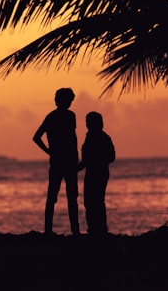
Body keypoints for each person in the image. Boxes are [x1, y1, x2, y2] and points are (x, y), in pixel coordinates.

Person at [33, 87, 80, 235]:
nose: (70, 103)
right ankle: (64, 231)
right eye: (69, 100)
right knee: (60, 197)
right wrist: (49, 151)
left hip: (65, 160)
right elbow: (36, 137)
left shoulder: (62, 116)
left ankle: (70, 231)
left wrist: (51, 152)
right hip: (62, 161)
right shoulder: (55, 117)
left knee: (66, 197)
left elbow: (72, 139)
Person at [77, 111, 115, 237]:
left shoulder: (102, 137)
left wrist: (95, 161)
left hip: (98, 172)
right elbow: (87, 160)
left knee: (95, 201)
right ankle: (95, 228)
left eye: (90, 122)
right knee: (92, 202)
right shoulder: (93, 137)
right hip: (95, 172)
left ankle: (98, 229)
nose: (88, 125)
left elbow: (111, 156)